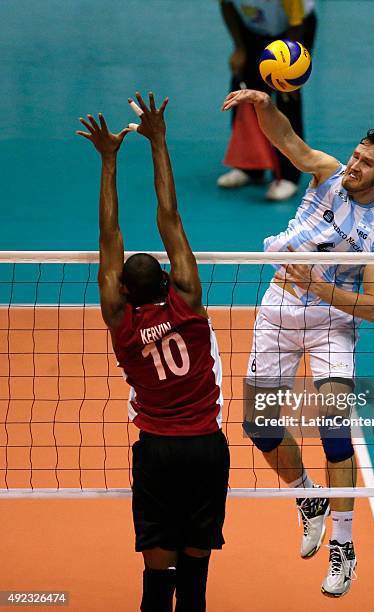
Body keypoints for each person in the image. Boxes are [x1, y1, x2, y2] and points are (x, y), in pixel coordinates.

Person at [222, 88, 374, 597]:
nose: (353, 165)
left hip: (332, 318)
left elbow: (372, 307)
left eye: (366, 163)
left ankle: (343, 548)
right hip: (279, 306)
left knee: (332, 425)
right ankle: (307, 495)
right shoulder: (326, 173)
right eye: (355, 155)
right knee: (259, 426)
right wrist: (264, 105)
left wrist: (321, 287)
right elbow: (287, 140)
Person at [77, 93, 229, 612]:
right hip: (206, 450)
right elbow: (170, 215)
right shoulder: (187, 298)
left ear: (121, 289)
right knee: (195, 575)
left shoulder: (119, 322)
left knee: (156, 577)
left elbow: (108, 236)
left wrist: (108, 158)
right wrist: (157, 140)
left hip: (159, 454)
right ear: (166, 279)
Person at [218, 0, 317, 200]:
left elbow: (296, 23)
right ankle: (250, 167)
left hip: (290, 32)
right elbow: (227, 5)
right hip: (252, 32)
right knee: (244, 93)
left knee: (287, 98)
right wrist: (239, 48)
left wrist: (289, 68)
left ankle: (289, 175)